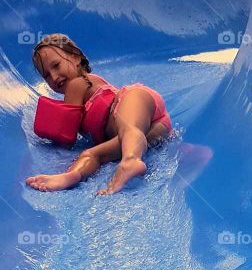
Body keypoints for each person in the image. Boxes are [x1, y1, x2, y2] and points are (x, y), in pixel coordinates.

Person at [24, 34, 172, 195]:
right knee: (92, 154)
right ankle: (70, 176)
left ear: (75, 58)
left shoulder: (76, 84)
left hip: (136, 99)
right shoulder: (90, 81)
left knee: (128, 127)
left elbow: (65, 138)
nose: (54, 77)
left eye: (56, 65)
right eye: (46, 76)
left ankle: (130, 161)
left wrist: (48, 125)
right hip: (153, 126)